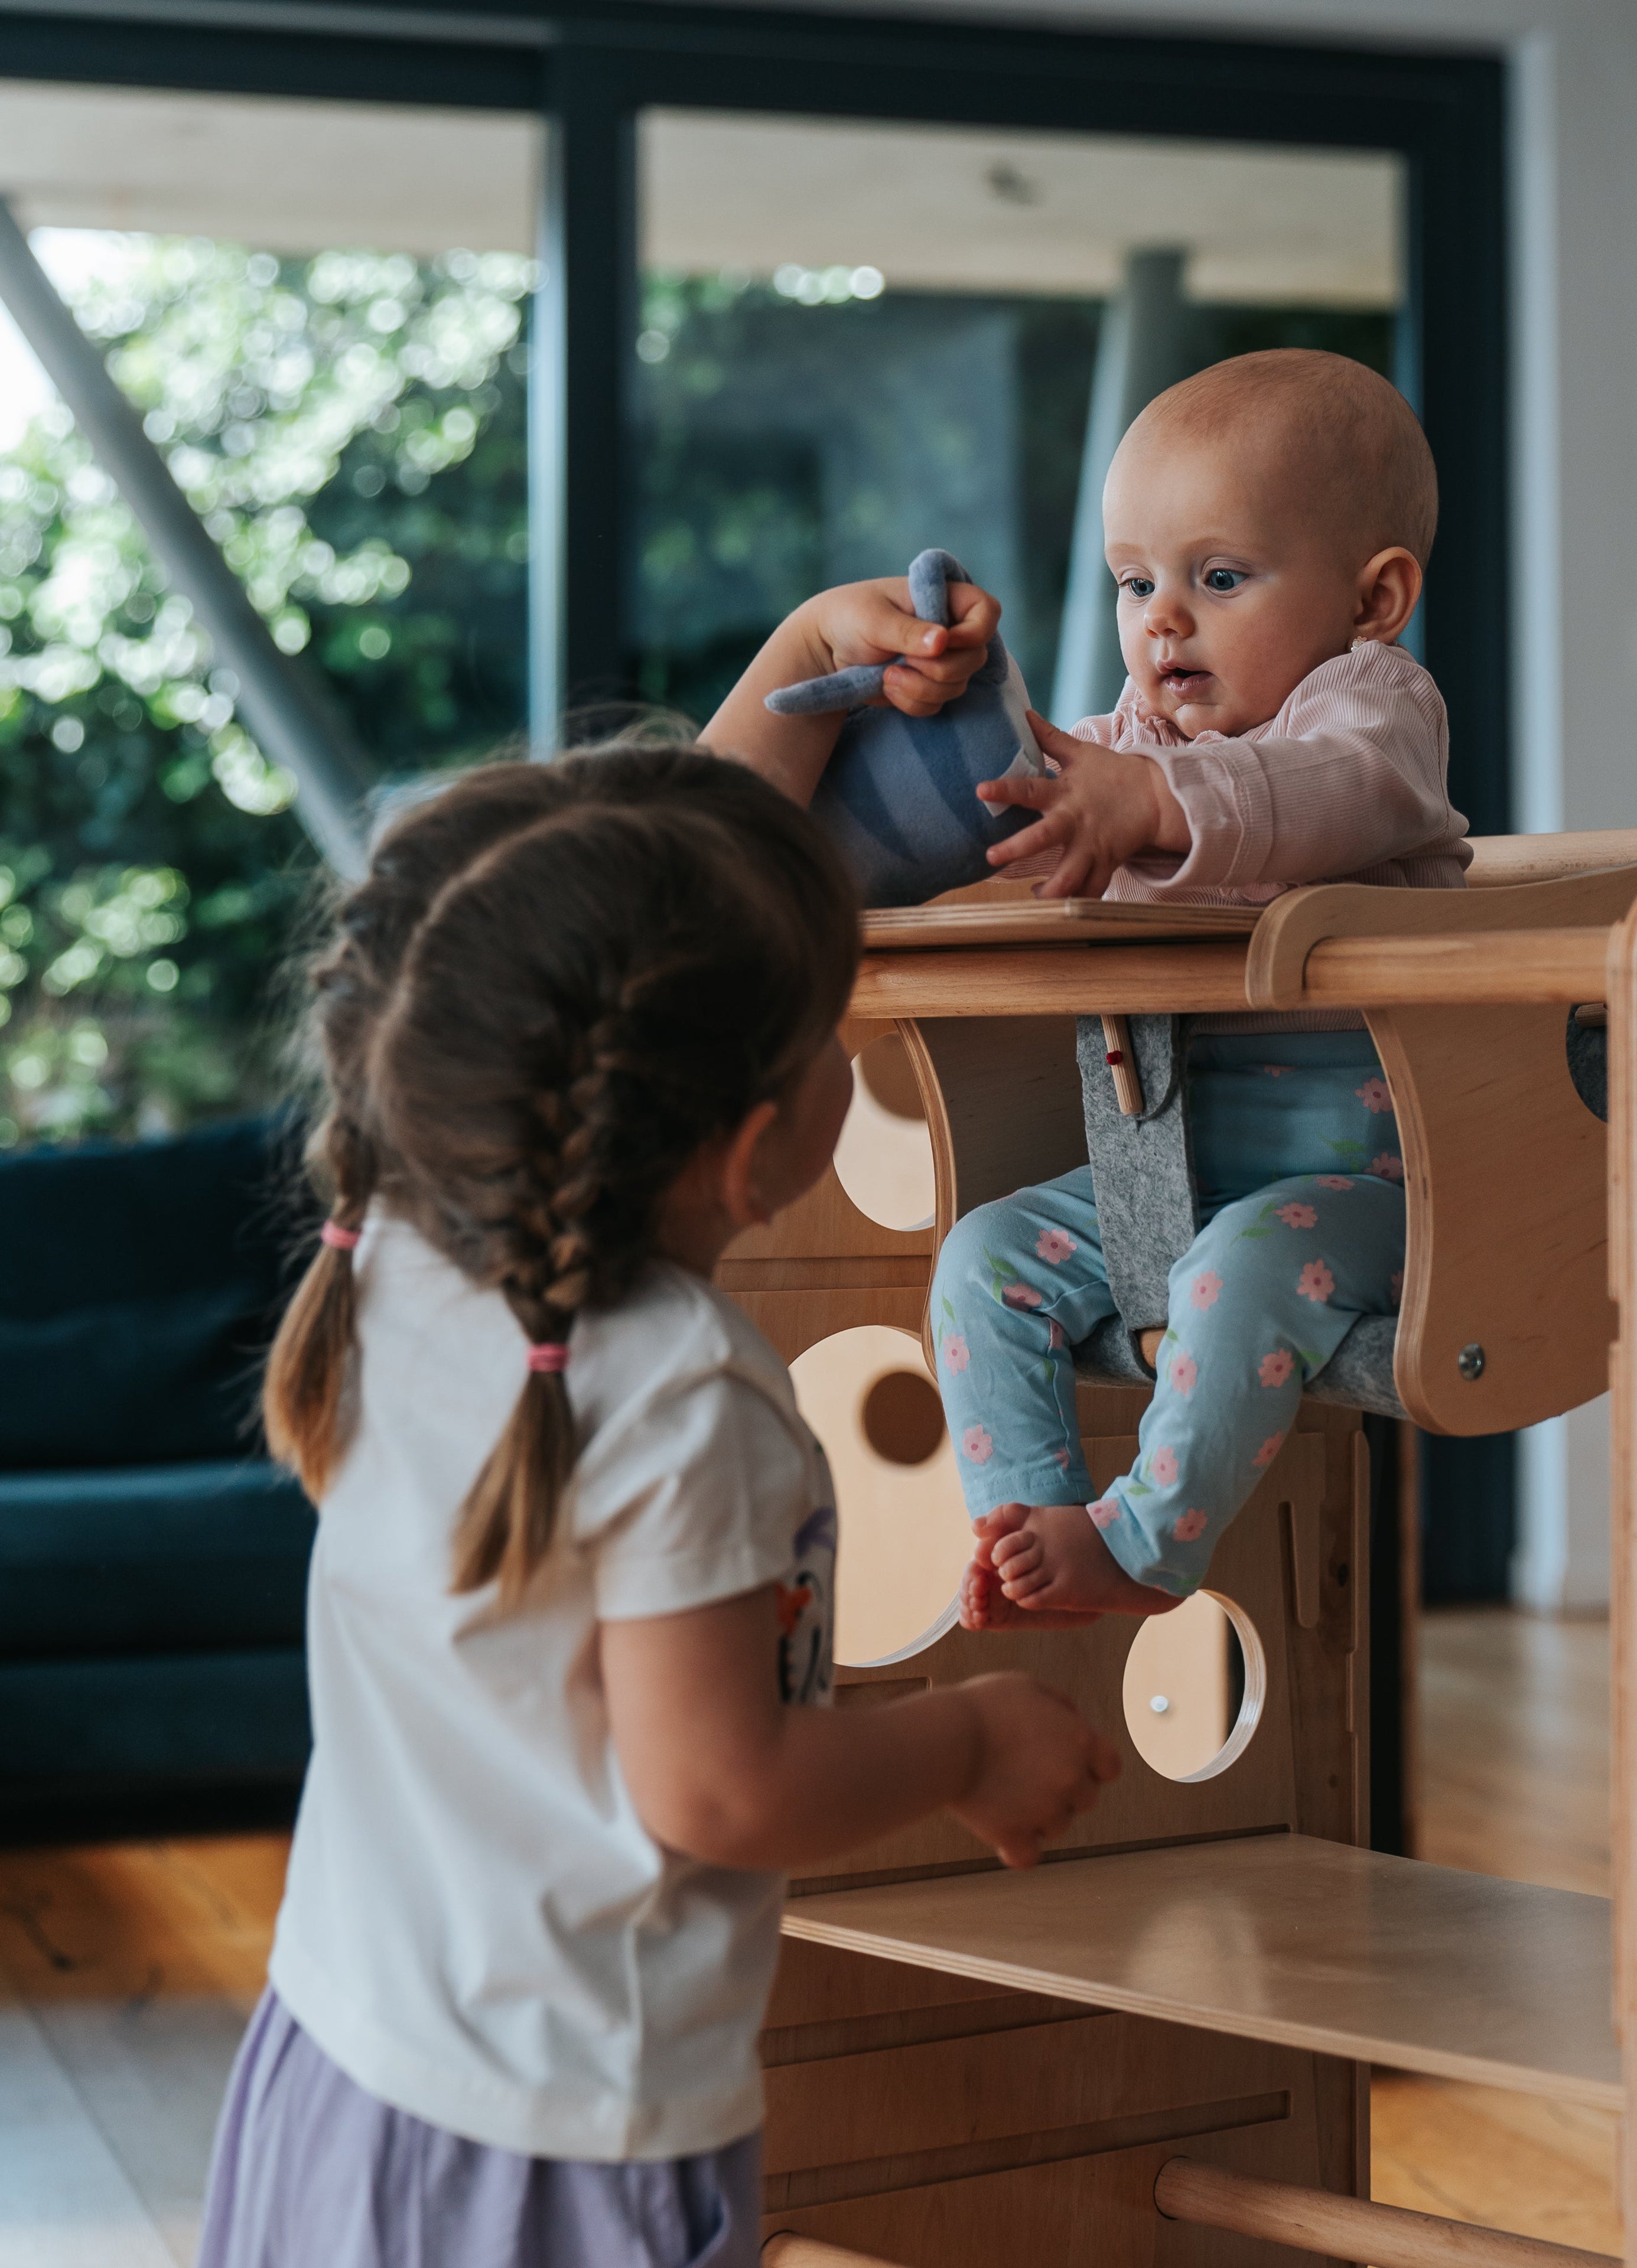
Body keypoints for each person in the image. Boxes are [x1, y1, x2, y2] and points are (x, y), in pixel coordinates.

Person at [198, 612, 1119, 2267]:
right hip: (549, 2158)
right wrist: (972, 1742)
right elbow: (717, 1783)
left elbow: (623, 926)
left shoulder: (409, 1242)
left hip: (337, 2067)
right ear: (758, 1146)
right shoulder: (685, 1398)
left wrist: (803, 668)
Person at [916, 347, 1471, 1627]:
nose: (1163, 619)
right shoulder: (1139, 743)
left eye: (1219, 578)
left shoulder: (1376, 714)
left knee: (1237, 1271)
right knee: (983, 1253)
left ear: (1375, 598)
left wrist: (1150, 805)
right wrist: (949, 743)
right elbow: (1028, 784)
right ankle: (1031, 1512)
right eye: (1135, 582)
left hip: (1383, 1185)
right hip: (1161, 1173)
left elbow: (1315, 805)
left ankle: (1148, 1548)